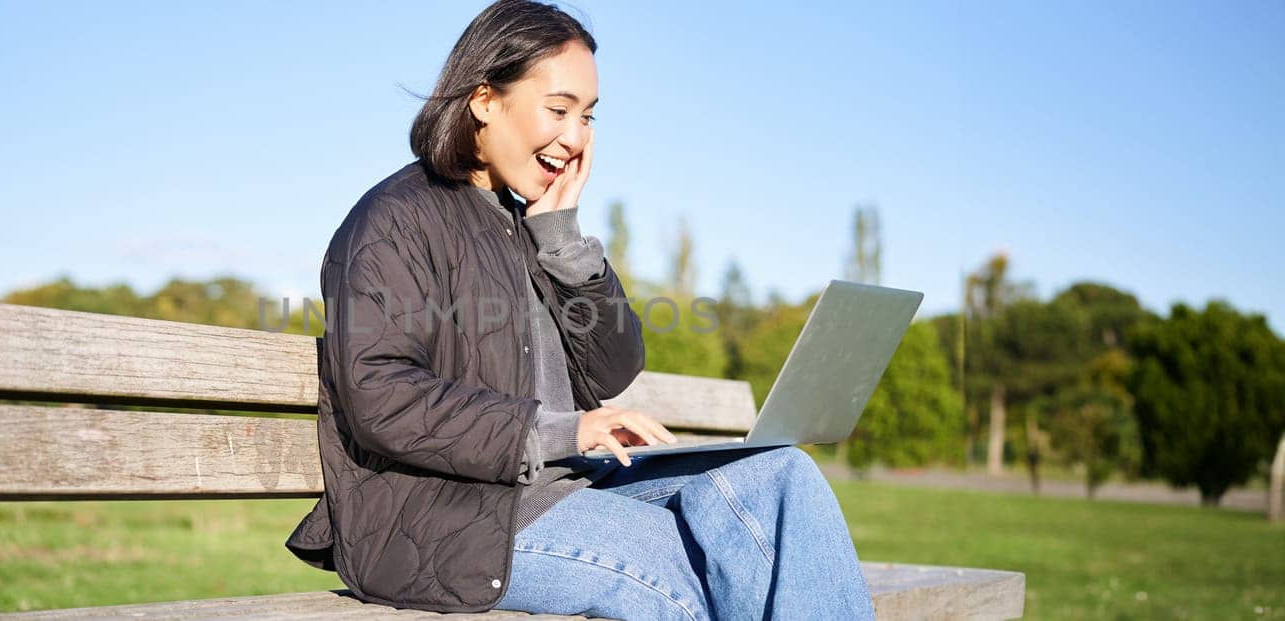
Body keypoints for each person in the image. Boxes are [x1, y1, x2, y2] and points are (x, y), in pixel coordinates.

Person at [286, 1, 875, 618]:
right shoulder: (395, 221)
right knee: (680, 568)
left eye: (588, 116)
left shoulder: (534, 228)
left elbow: (614, 370)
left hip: (569, 485)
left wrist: (563, 241)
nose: (576, 138)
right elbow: (385, 395)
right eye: (559, 109)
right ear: (484, 101)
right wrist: (566, 430)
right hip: (450, 519)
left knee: (778, 477)